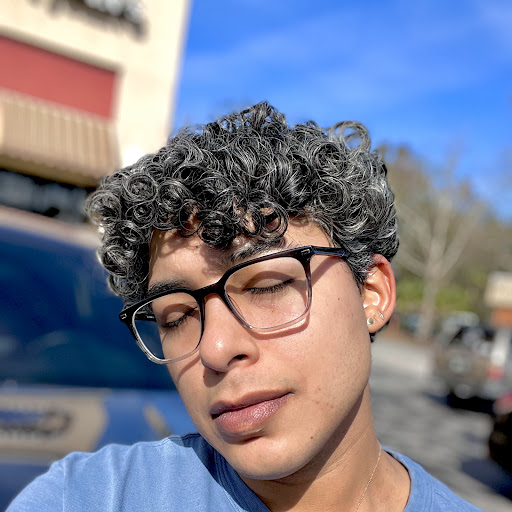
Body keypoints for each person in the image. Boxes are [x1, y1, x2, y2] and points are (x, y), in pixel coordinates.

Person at [8, 102, 483, 511]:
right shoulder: (90, 497)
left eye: (267, 286)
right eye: (178, 316)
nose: (215, 349)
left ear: (371, 294)